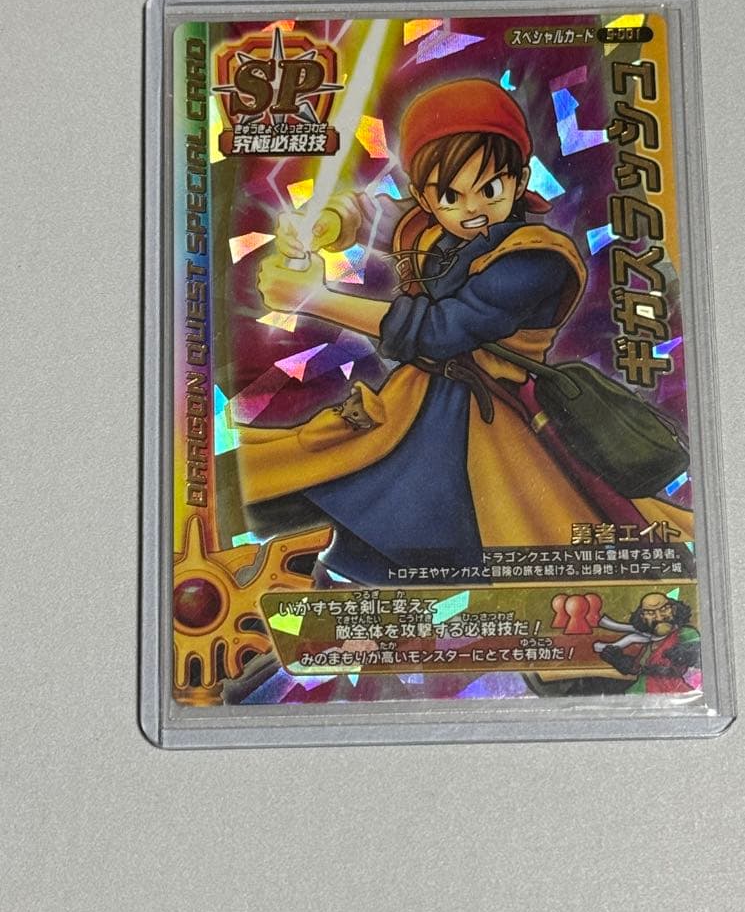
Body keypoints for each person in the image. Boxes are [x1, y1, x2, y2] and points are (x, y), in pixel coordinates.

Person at [236, 78, 692, 585]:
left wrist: (315, 299)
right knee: (351, 489)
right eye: (451, 195)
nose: (472, 208)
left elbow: (442, 330)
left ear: (519, 180)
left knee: (443, 517)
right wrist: (327, 220)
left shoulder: (535, 258)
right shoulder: (436, 227)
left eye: (489, 189)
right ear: (426, 196)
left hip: (489, 418)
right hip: (419, 402)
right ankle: (345, 577)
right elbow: (379, 218)